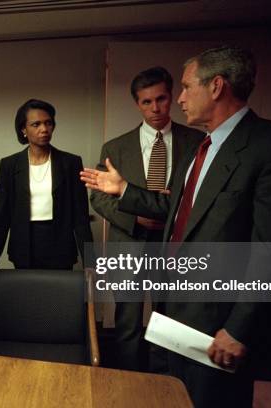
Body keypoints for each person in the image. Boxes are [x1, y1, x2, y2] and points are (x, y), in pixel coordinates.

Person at [81, 46, 271, 407]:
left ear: (216, 86)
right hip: (173, 308)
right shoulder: (201, 149)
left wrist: (240, 329)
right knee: (174, 395)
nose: (178, 99)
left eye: (186, 87)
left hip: (219, 319)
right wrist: (125, 190)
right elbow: (176, 209)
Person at [91, 66, 203, 372]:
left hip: (174, 247)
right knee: (127, 323)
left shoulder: (197, 142)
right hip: (128, 245)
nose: (156, 108)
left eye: (162, 99)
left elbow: (202, 196)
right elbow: (98, 197)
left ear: (172, 97)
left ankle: (165, 385)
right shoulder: (115, 147)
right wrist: (135, 220)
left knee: (167, 324)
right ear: (137, 104)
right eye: (147, 102)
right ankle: (129, 385)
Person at [0, 99, 93, 280]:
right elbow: (2, 216)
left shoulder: (70, 163)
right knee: (28, 302)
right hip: (24, 244)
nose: (44, 129)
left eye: (48, 123)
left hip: (60, 244)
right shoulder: (9, 165)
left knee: (59, 302)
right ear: (23, 130)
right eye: (36, 124)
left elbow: (80, 217)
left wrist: (91, 262)